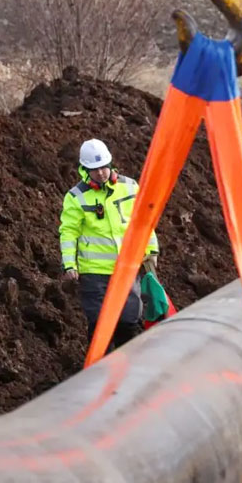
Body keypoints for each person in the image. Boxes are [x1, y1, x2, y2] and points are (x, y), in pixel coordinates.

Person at [59, 138, 159, 352]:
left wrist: (151, 250)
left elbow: (144, 220)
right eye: (95, 170)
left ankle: (127, 362)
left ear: (110, 163)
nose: (101, 173)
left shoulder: (130, 187)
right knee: (99, 325)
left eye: (103, 167)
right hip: (94, 273)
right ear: (85, 170)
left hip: (127, 268)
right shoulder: (76, 197)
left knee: (129, 320)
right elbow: (68, 232)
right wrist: (69, 264)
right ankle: (99, 363)